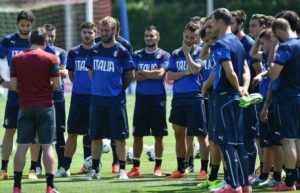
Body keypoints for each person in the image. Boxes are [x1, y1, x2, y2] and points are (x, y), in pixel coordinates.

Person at [202, 8, 251, 193]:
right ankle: (245, 184)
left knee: (225, 142)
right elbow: (245, 69)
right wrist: (243, 89)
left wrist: (237, 88)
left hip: (223, 98)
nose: (209, 27)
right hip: (235, 99)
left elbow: (229, 71)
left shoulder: (221, 43)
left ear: (221, 22)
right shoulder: (238, 43)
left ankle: (232, 184)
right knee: (238, 142)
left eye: (212, 23)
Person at [83, 16, 134, 180]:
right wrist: (99, 85)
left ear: (114, 30)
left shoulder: (122, 51)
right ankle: (95, 170)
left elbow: (129, 75)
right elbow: (90, 70)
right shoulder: (94, 50)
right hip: (97, 99)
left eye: (107, 30)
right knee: (95, 136)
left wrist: (118, 89)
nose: (103, 33)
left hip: (115, 100)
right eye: (102, 30)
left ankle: (122, 170)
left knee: (119, 137)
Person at [10, 27, 60, 193]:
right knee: (47, 147)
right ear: (45, 41)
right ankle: (50, 187)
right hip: (45, 106)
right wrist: (44, 87)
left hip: (25, 106)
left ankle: (17, 187)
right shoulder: (52, 58)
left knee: (22, 146)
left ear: (29, 41)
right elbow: (58, 86)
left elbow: (13, 86)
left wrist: (27, 90)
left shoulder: (17, 58)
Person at [0, 10, 41, 181]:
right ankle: (3, 169)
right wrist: (2, 82)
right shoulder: (8, 41)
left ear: (33, 25)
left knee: (35, 133)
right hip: (15, 95)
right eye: (22, 25)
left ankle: (33, 169)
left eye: (28, 25)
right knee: (10, 130)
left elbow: (52, 59)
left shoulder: (38, 40)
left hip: (34, 96)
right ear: (17, 24)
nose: (25, 28)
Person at [165, 22, 207, 179]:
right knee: (178, 134)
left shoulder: (202, 51)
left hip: (195, 97)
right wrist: (185, 72)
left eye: (192, 37)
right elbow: (169, 76)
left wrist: (187, 53)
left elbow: (196, 69)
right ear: (183, 35)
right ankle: (181, 169)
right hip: (178, 98)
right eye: (187, 37)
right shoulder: (175, 53)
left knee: (201, 135)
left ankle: (204, 170)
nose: (189, 40)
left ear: (197, 37)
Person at [54, 21, 96, 177]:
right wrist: (81, 85)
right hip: (77, 98)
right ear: (81, 33)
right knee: (72, 133)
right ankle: (64, 167)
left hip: (95, 98)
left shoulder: (99, 51)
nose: (87, 35)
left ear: (95, 33)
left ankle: (93, 167)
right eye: (84, 32)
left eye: (90, 32)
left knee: (93, 134)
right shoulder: (73, 52)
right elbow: (71, 75)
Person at [127, 25, 169, 177]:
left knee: (159, 135)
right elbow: (134, 76)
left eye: (152, 35)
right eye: (146, 36)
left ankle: (157, 167)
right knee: (137, 135)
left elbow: (160, 74)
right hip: (141, 100)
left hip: (158, 100)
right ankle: (136, 167)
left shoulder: (164, 55)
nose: (149, 38)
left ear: (158, 37)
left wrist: (142, 72)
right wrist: (151, 73)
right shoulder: (137, 55)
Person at [31, 23, 68, 177]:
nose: (51, 39)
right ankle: (37, 166)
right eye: (48, 36)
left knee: (59, 132)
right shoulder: (35, 53)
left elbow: (64, 72)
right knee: (38, 133)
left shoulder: (60, 52)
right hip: (40, 96)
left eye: (53, 36)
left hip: (57, 96)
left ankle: (63, 166)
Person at [268, 18, 300, 191]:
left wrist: (274, 51)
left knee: (288, 141)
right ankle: (297, 179)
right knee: (298, 140)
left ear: (279, 32)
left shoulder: (286, 47)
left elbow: (273, 75)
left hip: (286, 99)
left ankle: (288, 183)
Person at [231, 10, 262, 182]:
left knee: (248, 136)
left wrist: (248, 88)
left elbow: (258, 70)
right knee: (237, 136)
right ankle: (239, 174)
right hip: (234, 98)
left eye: (233, 22)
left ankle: (251, 173)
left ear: (240, 24)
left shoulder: (248, 43)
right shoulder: (230, 42)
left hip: (247, 98)